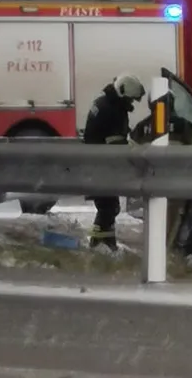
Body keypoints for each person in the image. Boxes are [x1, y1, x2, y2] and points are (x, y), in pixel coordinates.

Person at [82, 73, 146, 251]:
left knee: (108, 206)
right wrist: (134, 148)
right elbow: (116, 143)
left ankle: (104, 243)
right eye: (131, 100)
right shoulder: (113, 110)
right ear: (123, 93)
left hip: (96, 163)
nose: (131, 104)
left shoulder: (103, 102)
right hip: (102, 165)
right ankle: (100, 245)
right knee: (108, 207)